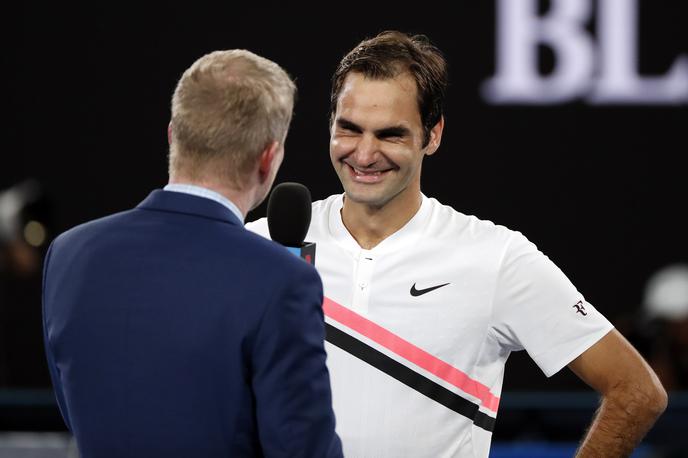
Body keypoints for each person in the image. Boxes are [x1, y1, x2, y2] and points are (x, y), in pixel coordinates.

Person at [247, 31, 667, 457]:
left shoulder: (496, 258)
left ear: (433, 135)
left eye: (390, 135)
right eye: (349, 129)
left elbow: (637, 391)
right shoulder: (261, 245)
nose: (365, 154)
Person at [42, 50, 342, 458]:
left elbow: (76, 411)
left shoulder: (69, 254)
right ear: (269, 158)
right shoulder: (281, 279)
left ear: (173, 134)